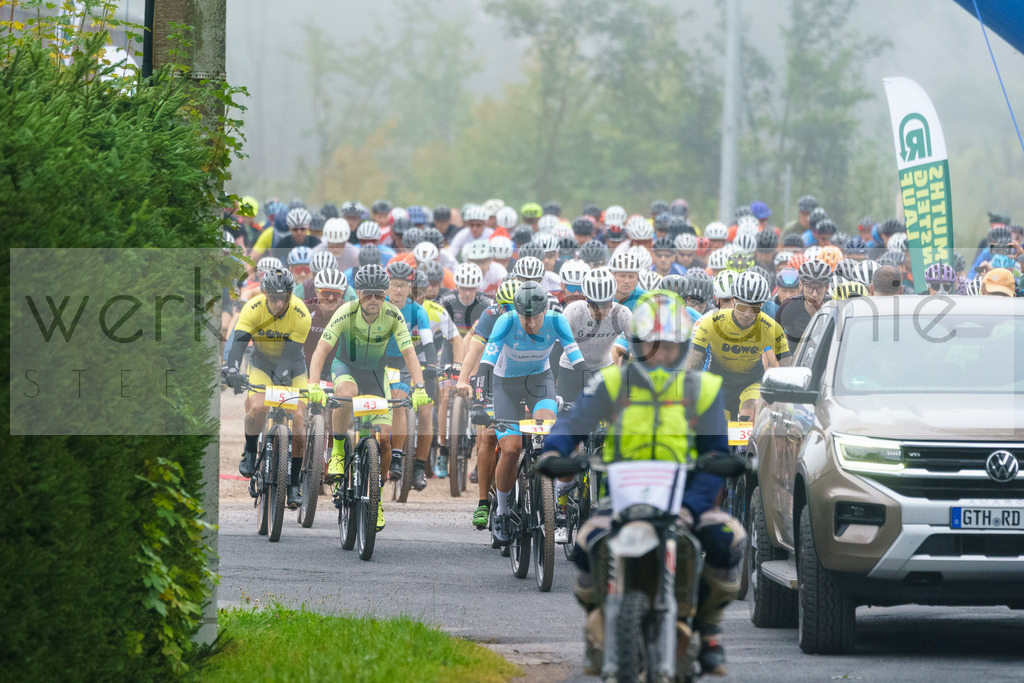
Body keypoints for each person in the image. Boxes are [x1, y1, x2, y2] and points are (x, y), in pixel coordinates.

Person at [541, 291, 745, 676]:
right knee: (585, 544)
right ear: (635, 343)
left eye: (668, 346)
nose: (660, 354)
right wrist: (555, 451)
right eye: (652, 345)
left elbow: (716, 454)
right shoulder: (612, 384)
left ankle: (708, 630)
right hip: (619, 500)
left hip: (687, 502)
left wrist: (694, 504)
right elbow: (573, 423)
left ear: (683, 347)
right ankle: (599, 622)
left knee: (729, 539)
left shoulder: (703, 390)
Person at [306, 264, 433, 532]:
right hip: (345, 368)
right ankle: (339, 449)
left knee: (384, 441)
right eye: (367, 294)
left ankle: (375, 495)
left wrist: (419, 387)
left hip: (376, 375)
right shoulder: (345, 311)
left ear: (385, 293)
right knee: (346, 395)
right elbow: (321, 350)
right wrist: (313, 384)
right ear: (359, 293)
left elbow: (410, 354)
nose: (373, 299)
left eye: (378, 294)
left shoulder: (393, 315)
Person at [481, 282, 584, 546]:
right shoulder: (505, 322)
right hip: (505, 387)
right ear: (516, 313)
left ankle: (556, 503)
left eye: (535, 317)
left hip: (540, 382)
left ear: (544, 311)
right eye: (524, 318)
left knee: (551, 435)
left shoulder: (557, 321)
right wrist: (479, 400)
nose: (530, 323)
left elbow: (578, 362)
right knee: (512, 449)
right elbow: (486, 365)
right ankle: (503, 512)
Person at [224, 268, 311, 508]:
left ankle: (294, 484)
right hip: (262, 362)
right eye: (273, 298)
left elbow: (290, 357)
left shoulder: (301, 314)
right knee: (259, 408)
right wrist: (231, 369)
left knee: (299, 419)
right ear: (265, 294)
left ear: (290, 296)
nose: (278, 303)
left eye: (283, 298)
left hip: (293, 366)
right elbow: (239, 343)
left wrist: (282, 383)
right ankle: (251, 450)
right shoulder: (253, 308)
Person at [456, 278, 521, 528]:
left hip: (523, 378)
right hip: (492, 376)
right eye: (504, 306)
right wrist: (463, 380)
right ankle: (483, 502)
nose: (509, 312)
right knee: (489, 437)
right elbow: (475, 349)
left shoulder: (535, 315)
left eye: (513, 307)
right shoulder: (491, 314)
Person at [685, 271, 791, 421]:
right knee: (717, 426)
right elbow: (693, 361)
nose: (747, 314)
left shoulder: (771, 328)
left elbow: (787, 367)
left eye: (754, 309)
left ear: (762, 305)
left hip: (751, 383)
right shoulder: (712, 322)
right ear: (734, 301)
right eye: (742, 307)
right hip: (718, 382)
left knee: (749, 414)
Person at [381, 262, 438, 491]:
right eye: (394, 285)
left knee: (398, 403)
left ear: (409, 287)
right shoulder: (379, 305)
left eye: (403, 286)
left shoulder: (417, 310)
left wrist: (432, 365)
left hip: (402, 362)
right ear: (387, 287)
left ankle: (396, 456)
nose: (398, 290)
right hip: (378, 360)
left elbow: (428, 342)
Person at [776, 259, 832, 348]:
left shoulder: (833, 308)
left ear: (827, 287)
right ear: (801, 285)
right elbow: (773, 340)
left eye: (820, 287)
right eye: (809, 287)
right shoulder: (788, 307)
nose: (814, 294)